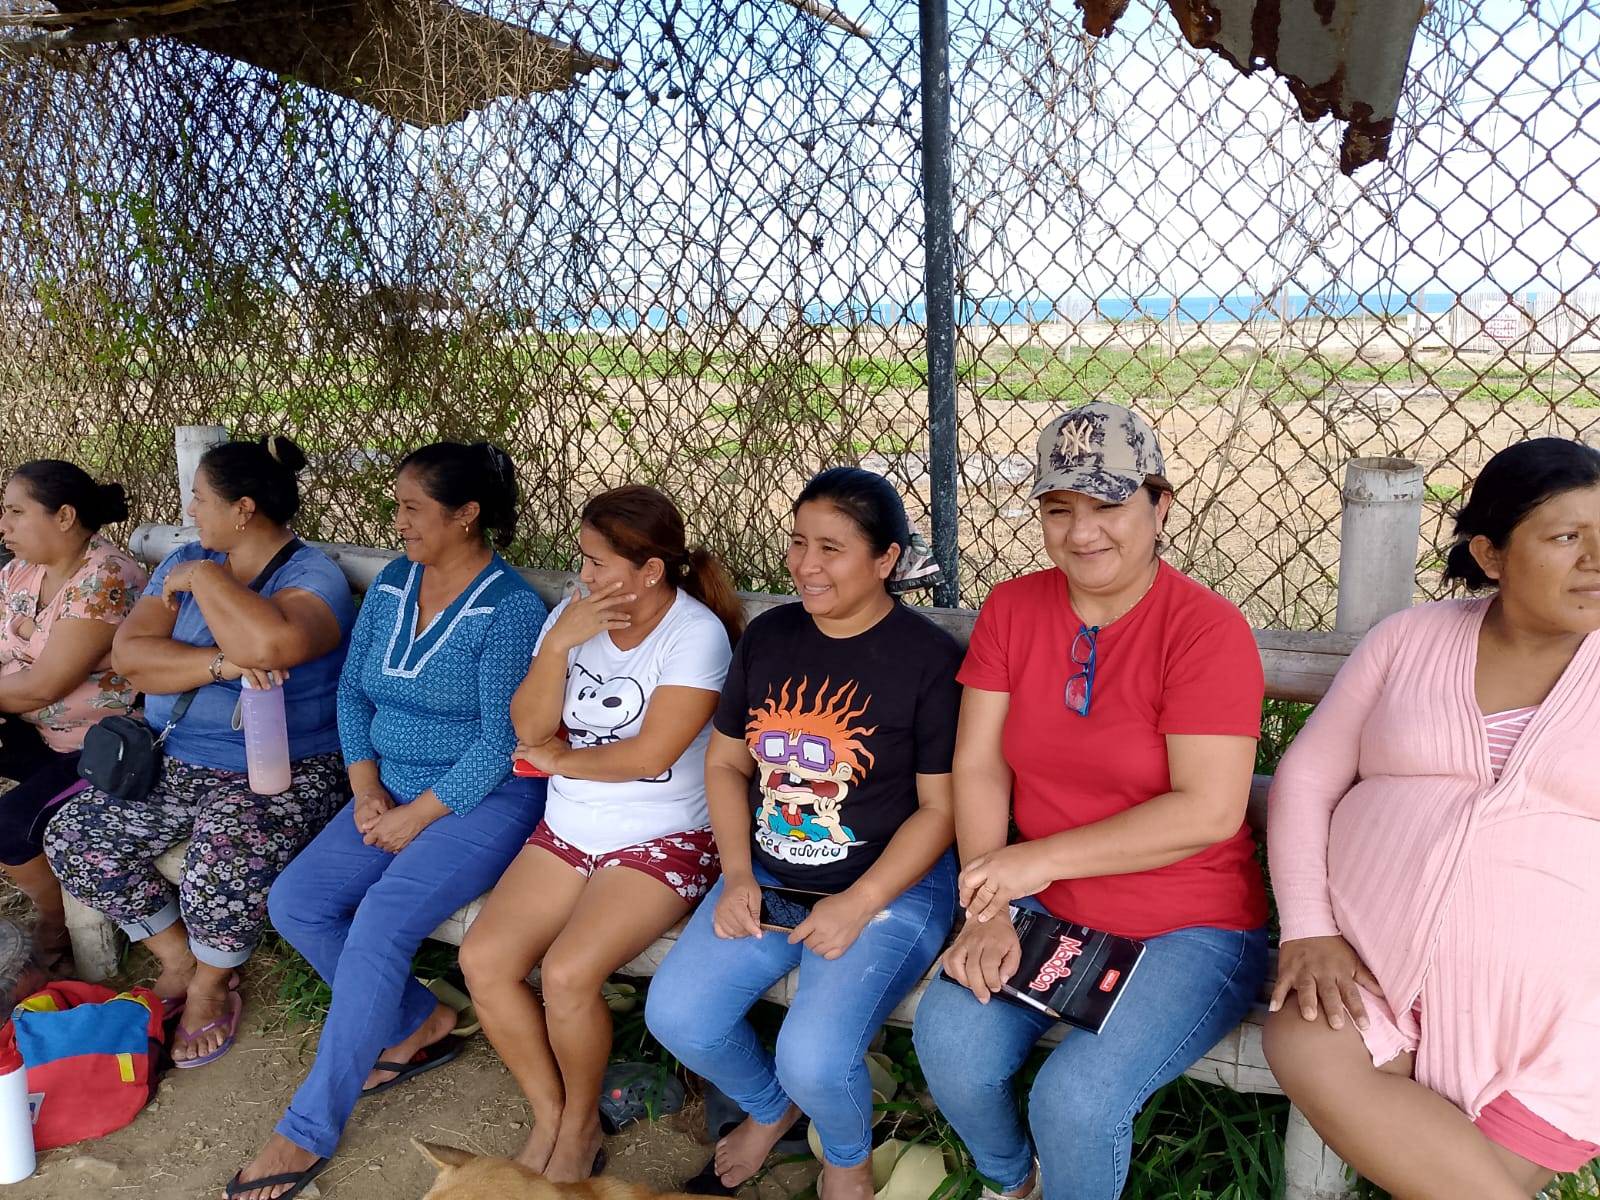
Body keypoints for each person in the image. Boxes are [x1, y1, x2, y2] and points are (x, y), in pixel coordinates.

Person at [911, 402, 1270, 1200]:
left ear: (1160, 506)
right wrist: (990, 905)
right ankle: (1014, 1184)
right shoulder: (1014, 608)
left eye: (1108, 505)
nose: (1081, 533)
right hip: (1046, 904)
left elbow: (1208, 810)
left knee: (1075, 1102)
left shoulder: (1205, 630)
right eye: (1058, 508)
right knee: (952, 1044)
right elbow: (979, 765)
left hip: (1188, 923)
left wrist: (1029, 863)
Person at [1263, 438, 1600, 1200]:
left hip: (1559, 1021)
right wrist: (1308, 928)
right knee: (1304, 1039)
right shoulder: (1410, 640)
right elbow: (1306, 780)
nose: (1595, 559)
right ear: (1490, 553)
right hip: (1369, 974)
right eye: (1566, 536)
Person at [228, 441, 549, 1200]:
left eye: (412, 508)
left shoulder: (509, 609)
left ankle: (305, 1129)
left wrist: (419, 816)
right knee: (297, 902)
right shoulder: (396, 583)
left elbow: (503, 740)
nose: (397, 521)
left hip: (481, 798)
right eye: (397, 505)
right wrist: (366, 787)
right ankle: (417, 1022)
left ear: (467, 515)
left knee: (380, 920)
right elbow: (353, 693)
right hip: (389, 787)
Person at [646, 467, 962, 1200]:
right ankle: (770, 1109)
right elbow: (727, 763)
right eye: (797, 542)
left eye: (831, 548)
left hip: (889, 885)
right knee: (679, 1017)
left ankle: (845, 1158)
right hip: (769, 872)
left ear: (886, 559)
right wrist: (737, 875)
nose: (806, 565)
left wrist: (859, 903)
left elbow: (940, 811)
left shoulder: (926, 659)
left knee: (814, 1056)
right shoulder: (771, 636)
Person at [459, 485, 744, 1181]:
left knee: (566, 973)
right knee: (483, 961)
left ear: (650, 571)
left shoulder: (694, 634)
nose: (582, 575)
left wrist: (561, 760)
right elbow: (528, 727)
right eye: (581, 559)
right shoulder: (572, 617)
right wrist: (557, 644)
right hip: (569, 827)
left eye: (597, 562)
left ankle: (583, 1124)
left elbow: (651, 755)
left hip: (665, 836)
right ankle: (552, 1113)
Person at [45, 436, 354, 1067]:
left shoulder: (308, 576)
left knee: (226, 857)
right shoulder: (184, 559)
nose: (191, 512)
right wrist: (219, 664)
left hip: (282, 767)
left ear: (243, 509)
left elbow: (270, 646)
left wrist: (208, 580)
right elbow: (133, 659)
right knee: (73, 837)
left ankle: (213, 983)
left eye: (200, 498)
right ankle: (179, 957)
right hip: (177, 756)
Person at [0, 460, 146, 969]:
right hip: (38, 728)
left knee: (9, 826)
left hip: (101, 748)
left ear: (63, 516)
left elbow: (46, 684)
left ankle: (54, 919)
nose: (3, 525)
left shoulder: (105, 577)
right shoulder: (21, 571)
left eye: (16, 512)